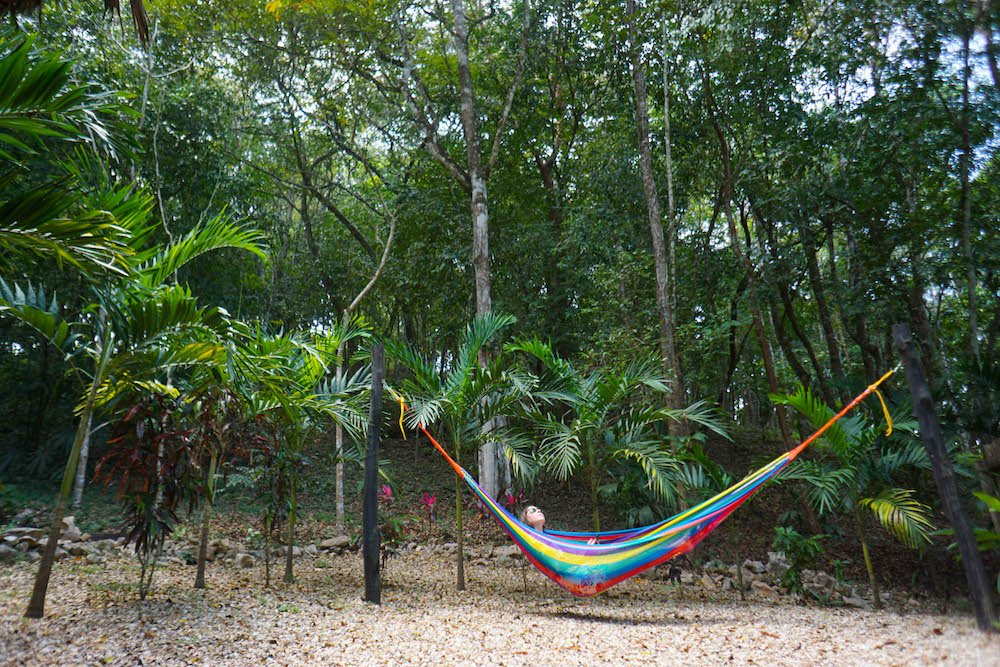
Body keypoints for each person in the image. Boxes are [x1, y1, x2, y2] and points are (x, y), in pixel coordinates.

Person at [521, 504, 597, 544]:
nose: (538, 510)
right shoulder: (529, 543)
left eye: (538, 509)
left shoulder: (552, 539)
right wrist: (587, 551)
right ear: (526, 519)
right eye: (533, 510)